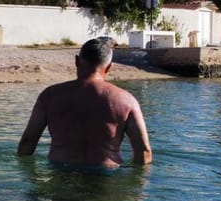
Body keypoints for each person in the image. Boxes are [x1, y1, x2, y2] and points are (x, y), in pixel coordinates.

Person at [17, 37, 152, 168]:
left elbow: (27, 142)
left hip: (62, 173)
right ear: (109, 67)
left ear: (77, 61)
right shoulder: (127, 100)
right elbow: (144, 152)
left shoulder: (49, 96)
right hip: (106, 177)